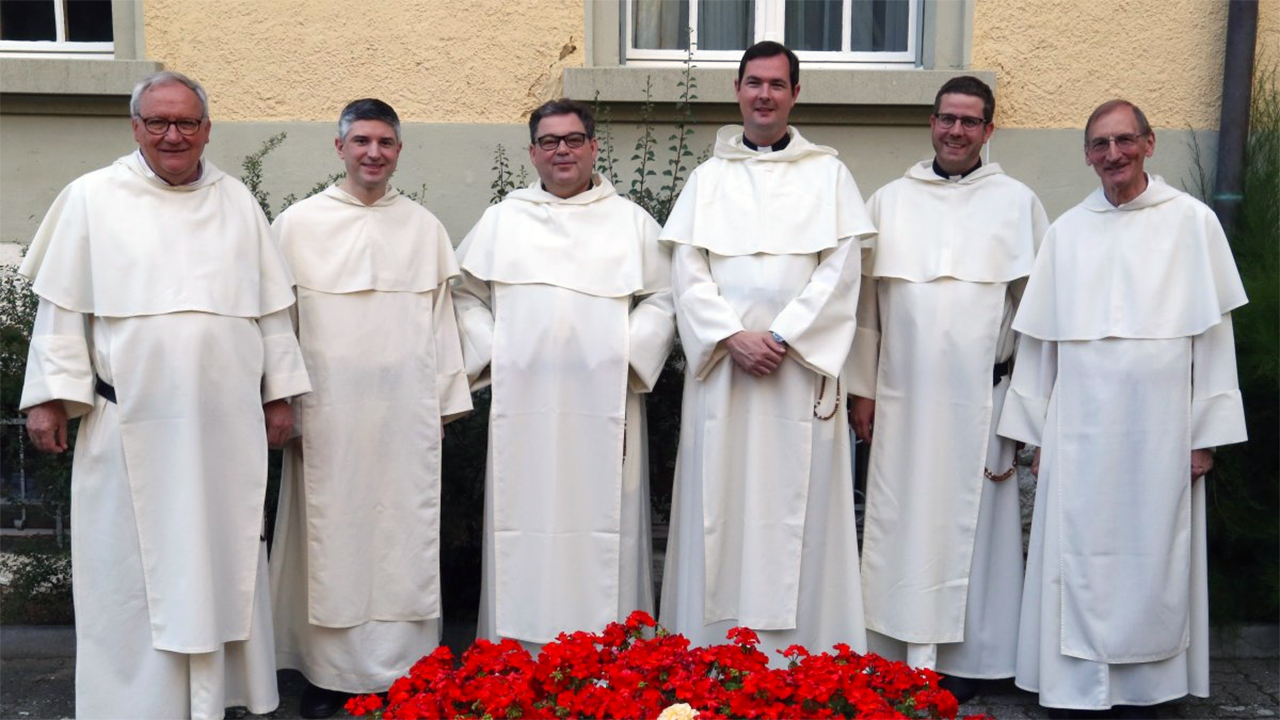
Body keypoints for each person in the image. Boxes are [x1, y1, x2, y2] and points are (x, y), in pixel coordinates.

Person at [19, 70, 310, 720]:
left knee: (221, 564)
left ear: (207, 128)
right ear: (135, 128)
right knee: (130, 576)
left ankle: (217, 698)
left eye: (186, 122)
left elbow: (270, 315)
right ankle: (136, 705)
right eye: (158, 122)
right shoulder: (92, 198)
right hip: (127, 428)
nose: (172, 135)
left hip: (224, 433)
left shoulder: (236, 203)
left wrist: (281, 393)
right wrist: (47, 396)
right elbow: (62, 310)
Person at [997, 100, 1247, 717]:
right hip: (1079, 427)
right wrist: (1032, 435)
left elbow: (1213, 340)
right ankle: (1075, 686)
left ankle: (1151, 687)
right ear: (1087, 155)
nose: (1114, 155)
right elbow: (1040, 346)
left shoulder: (1192, 223)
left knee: (1155, 552)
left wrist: (1205, 434)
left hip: (1162, 428)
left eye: (1125, 141)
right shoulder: (1067, 231)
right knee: (1074, 550)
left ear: (1149, 144)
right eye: (1101, 144)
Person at [658, 41, 876, 659]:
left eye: (777, 85)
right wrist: (731, 336)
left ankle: (802, 657)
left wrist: (782, 337)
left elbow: (841, 271)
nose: (764, 95)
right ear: (737, 89)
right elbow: (687, 271)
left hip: (796, 376)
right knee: (716, 509)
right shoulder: (709, 178)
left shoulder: (828, 175)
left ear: (795, 94)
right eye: (754, 82)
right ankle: (709, 653)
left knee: (798, 514)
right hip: (725, 374)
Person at [267, 98, 471, 718]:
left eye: (385, 142)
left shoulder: (424, 227)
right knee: (331, 538)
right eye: (361, 141)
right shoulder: (298, 225)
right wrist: (283, 399)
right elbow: (280, 323)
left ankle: (406, 669)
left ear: (399, 151)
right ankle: (328, 675)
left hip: (405, 415)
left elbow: (441, 324)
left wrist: (440, 404)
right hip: (326, 414)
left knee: (402, 535)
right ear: (340, 148)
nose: (373, 153)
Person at [850, 76, 1047, 700]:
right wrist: (862, 391)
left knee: (980, 532)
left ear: (988, 130)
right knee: (898, 522)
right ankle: (897, 652)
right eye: (946, 119)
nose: (956, 131)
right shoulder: (888, 200)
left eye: (970, 121)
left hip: (982, 401)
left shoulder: (1017, 204)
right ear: (931, 123)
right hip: (901, 399)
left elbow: (1039, 317)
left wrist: (1027, 407)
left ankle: (975, 661)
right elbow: (866, 310)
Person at [453, 98, 674, 651]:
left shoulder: (630, 222)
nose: (562, 151)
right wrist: (499, 348)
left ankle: (610, 661)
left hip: (606, 406)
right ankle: (517, 658)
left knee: (605, 534)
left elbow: (668, 297)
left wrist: (624, 353)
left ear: (594, 147)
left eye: (573, 139)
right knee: (519, 527)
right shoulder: (504, 220)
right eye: (549, 142)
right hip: (522, 406)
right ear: (532, 152)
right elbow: (462, 296)